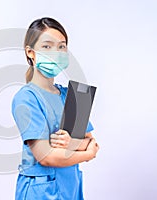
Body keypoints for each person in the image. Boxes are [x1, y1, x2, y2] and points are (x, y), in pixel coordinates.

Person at [11, 17, 100, 200]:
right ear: (31, 53)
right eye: (47, 46)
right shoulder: (27, 98)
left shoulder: (74, 96)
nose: (56, 52)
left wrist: (73, 144)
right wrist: (86, 153)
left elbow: (92, 141)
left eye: (61, 46)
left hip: (71, 187)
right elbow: (45, 156)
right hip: (40, 192)